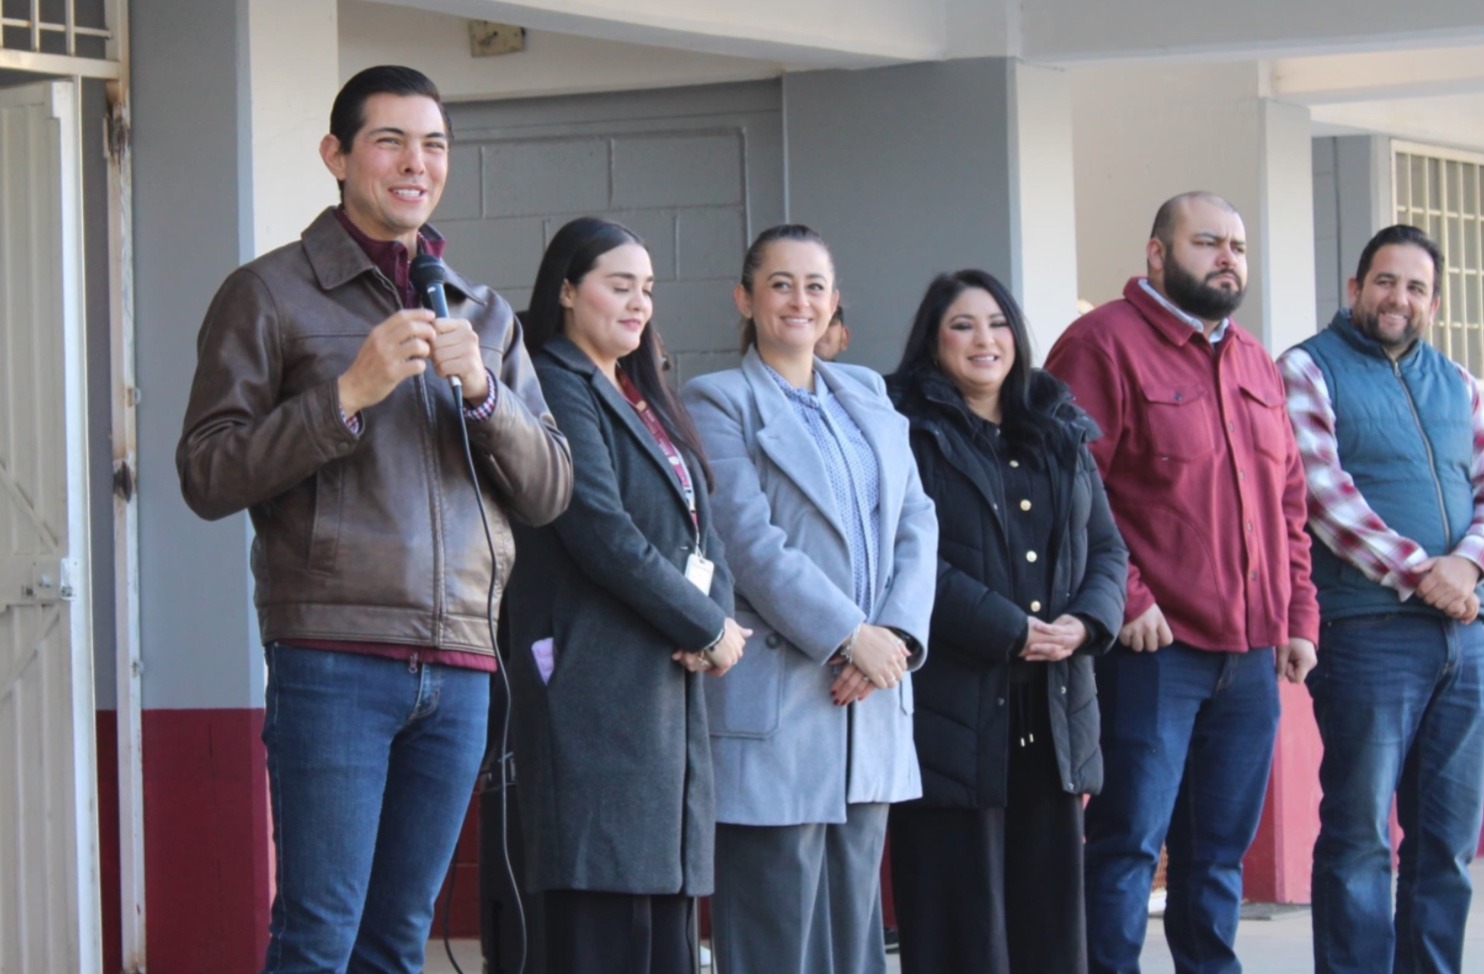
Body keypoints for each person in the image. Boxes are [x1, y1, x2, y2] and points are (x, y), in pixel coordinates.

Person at [176, 66, 572, 973]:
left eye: (433, 144)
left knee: (396, 944)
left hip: (465, 660)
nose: (415, 163)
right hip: (332, 653)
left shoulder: (483, 313)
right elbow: (205, 472)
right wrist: (347, 395)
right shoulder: (269, 293)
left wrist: (482, 393)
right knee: (318, 939)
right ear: (337, 156)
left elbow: (552, 489)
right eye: (389, 140)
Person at [1043, 191, 1320, 974]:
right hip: (1154, 654)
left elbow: (1288, 501)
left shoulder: (1255, 360)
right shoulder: (1102, 345)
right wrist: (1127, 596)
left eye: (1236, 244)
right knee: (1127, 847)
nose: (1227, 256)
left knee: (1218, 856)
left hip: (1251, 655)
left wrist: (1298, 614)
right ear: (1157, 254)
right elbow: (1070, 488)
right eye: (1207, 242)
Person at [681, 224, 937, 974]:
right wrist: (846, 635)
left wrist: (893, 637)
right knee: (774, 929)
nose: (800, 300)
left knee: (855, 930)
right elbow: (749, 543)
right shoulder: (718, 399)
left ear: (834, 304)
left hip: (872, 696)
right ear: (746, 298)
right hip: (787, 693)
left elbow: (918, 520)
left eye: (815, 286)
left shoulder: (867, 393)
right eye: (781, 283)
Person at [504, 216, 749, 974]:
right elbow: (600, 529)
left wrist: (717, 617)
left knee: (661, 923)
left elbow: (701, 532)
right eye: (620, 285)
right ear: (569, 291)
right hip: (594, 680)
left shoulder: (642, 393)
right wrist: (706, 626)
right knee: (603, 916)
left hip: (662, 686)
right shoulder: (555, 381)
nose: (639, 303)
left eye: (647, 288)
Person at [1278, 224, 1484, 974]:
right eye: (1384, 281)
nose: (1398, 298)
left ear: (1434, 303)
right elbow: (1324, 497)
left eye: (1415, 287)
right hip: (1368, 632)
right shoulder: (1308, 369)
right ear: (1354, 289)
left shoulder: (1458, 381)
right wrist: (1428, 575)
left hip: (1461, 638)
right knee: (1358, 836)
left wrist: (1469, 568)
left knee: (1446, 840)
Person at [885, 270, 1128, 974]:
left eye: (997, 323)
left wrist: (1087, 622)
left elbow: (1107, 547)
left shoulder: (1057, 428)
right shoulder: (905, 429)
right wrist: (1009, 629)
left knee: (1049, 925)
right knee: (960, 924)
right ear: (933, 341)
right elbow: (910, 558)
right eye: (962, 325)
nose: (984, 340)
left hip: (1053, 712)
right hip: (953, 715)